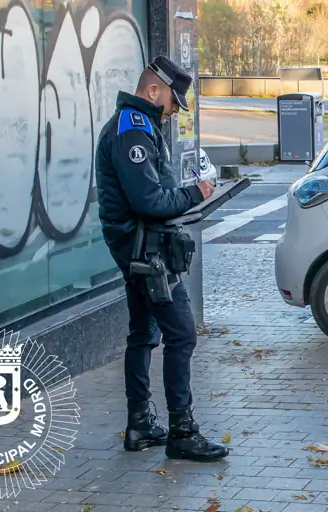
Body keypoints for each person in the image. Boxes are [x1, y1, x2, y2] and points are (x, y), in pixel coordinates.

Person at [95, 55, 227, 462]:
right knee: (182, 335)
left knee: (143, 334)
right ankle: (181, 431)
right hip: (146, 252)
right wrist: (196, 194)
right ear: (153, 91)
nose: (173, 112)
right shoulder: (132, 130)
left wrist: (187, 196)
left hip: (141, 248)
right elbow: (149, 201)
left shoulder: (139, 125)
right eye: (172, 102)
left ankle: (139, 424)